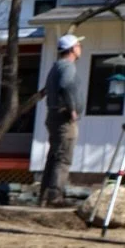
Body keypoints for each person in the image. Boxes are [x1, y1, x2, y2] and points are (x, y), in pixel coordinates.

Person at [41, 33, 85, 206]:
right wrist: (72, 108)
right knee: (63, 158)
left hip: (54, 115)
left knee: (54, 156)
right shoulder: (67, 66)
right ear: (72, 49)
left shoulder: (56, 66)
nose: (80, 48)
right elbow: (65, 85)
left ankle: (44, 197)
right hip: (63, 117)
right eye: (78, 46)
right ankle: (55, 197)